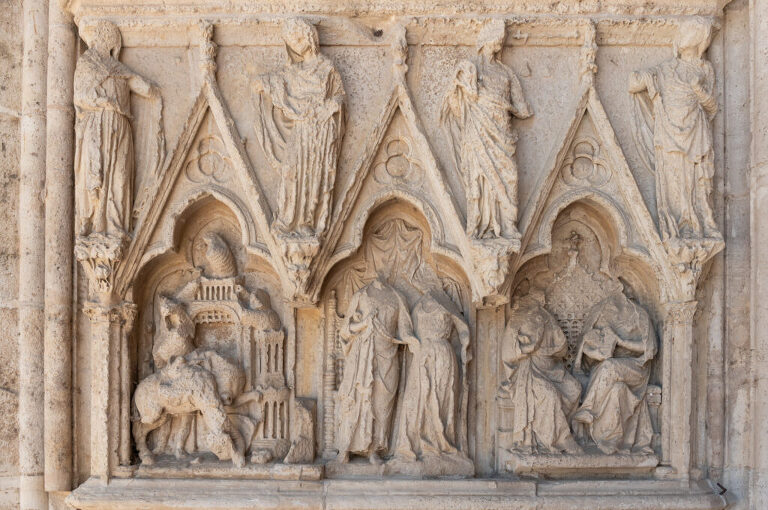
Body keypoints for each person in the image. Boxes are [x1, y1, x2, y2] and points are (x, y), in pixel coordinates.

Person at [629, 17, 720, 245]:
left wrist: (699, 92)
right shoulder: (666, 69)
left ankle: (700, 224)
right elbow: (632, 83)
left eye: (688, 31)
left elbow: (712, 107)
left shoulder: (704, 69)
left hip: (696, 132)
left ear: (700, 38)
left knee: (698, 180)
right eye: (682, 31)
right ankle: (680, 225)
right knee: (674, 179)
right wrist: (646, 78)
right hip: (670, 133)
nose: (682, 36)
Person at [253, 18, 345, 240]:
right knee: (292, 170)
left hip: (320, 130)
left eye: (299, 36)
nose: (296, 42)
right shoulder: (292, 72)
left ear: (310, 36)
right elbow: (270, 81)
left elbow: (339, 96)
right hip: (302, 129)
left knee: (314, 174)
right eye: (291, 40)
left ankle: (306, 223)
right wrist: (262, 83)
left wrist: (332, 106)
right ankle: (288, 219)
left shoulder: (326, 67)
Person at [441, 19, 532, 241]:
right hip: (477, 133)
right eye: (495, 42)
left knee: (509, 175)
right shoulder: (469, 70)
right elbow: (455, 107)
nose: (497, 47)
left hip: (502, 134)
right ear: (484, 42)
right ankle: (480, 224)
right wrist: (459, 87)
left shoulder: (507, 73)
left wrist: (502, 104)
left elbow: (522, 109)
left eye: (500, 43)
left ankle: (508, 225)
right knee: (479, 178)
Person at [74, 20, 159, 238]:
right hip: (99, 126)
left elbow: (141, 86)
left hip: (120, 126)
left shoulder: (118, 68)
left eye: (110, 39)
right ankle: (95, 224)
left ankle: (115, 225)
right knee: (99, 175)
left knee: (119, 175)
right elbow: (80, 96)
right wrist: (103, 101)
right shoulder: (87, 64)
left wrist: (151, 89)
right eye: (105, 37)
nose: (107, 42)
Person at [335, 280, 415, 464]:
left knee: (382, 403)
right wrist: (364, 324)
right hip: (362, 356)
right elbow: (345, 331)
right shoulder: (362, 295)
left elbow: (405, 330)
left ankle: (374, 450)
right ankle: (345, 448)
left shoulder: (398, 297)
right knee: (357, 400)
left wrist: (416, 343)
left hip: (388, 356)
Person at [572, 287, 657, 455]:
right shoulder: (601, 314)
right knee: (616, 388)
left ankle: (588, 409)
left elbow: (650, 349)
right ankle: (608, 439)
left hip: (635, 367)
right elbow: (584, 348)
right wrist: (596, 351)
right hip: (604, 369)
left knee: (609, 367)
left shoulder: (639, 316)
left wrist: (621, 341)